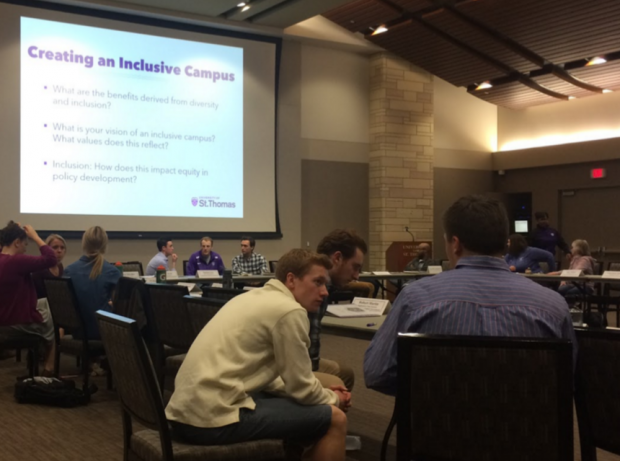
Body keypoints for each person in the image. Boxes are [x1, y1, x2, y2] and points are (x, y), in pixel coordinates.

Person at [364, 195, 576, 396]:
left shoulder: (415, 299)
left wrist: (429, 390)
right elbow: (569, 378)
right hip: (528, 430)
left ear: (455, 244)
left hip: (437, 429)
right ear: (504, 242)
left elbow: (376, 373)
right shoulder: (554, 306)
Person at [166, 249, 350, 461]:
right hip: (211, 421)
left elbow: (273, 381)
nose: (325, 291)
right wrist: (334, 398)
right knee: (335, 418)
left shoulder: (251, 297)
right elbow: (302, 388)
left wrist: (324, 392)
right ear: (291, 279)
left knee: (308, 404)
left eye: (325, 284)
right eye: (317, 282)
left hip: (183, 413)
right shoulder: (289, 311)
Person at [311, 229, 367, 391]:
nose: (356, 276)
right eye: (355, 267)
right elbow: (309, 357)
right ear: (337, 258)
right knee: (338, 383)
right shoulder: (315, 289)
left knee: (345, 373)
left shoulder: (313, 279)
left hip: (291, 360)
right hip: (277, 369)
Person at [0, 221, 57, 376]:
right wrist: (35, 236)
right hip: (16, 322)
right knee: (56, 317)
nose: (25, 249)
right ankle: (49, 367)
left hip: (4, 318)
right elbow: (51, 259)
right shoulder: (16, 261)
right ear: (17, 243)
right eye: (25, 244)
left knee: (45, 304)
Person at [64, 226, 121, 341]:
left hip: (77, 331)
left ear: (84, 244)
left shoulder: (68, 271)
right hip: (102, 331)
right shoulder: (112, 272)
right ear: (105, 245)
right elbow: (119, 306)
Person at [32, 233, 67, 299]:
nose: (59, 251)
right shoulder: (40, 269)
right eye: (55, 247)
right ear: (47, 249)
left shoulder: (60, 267)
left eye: (62, 248)